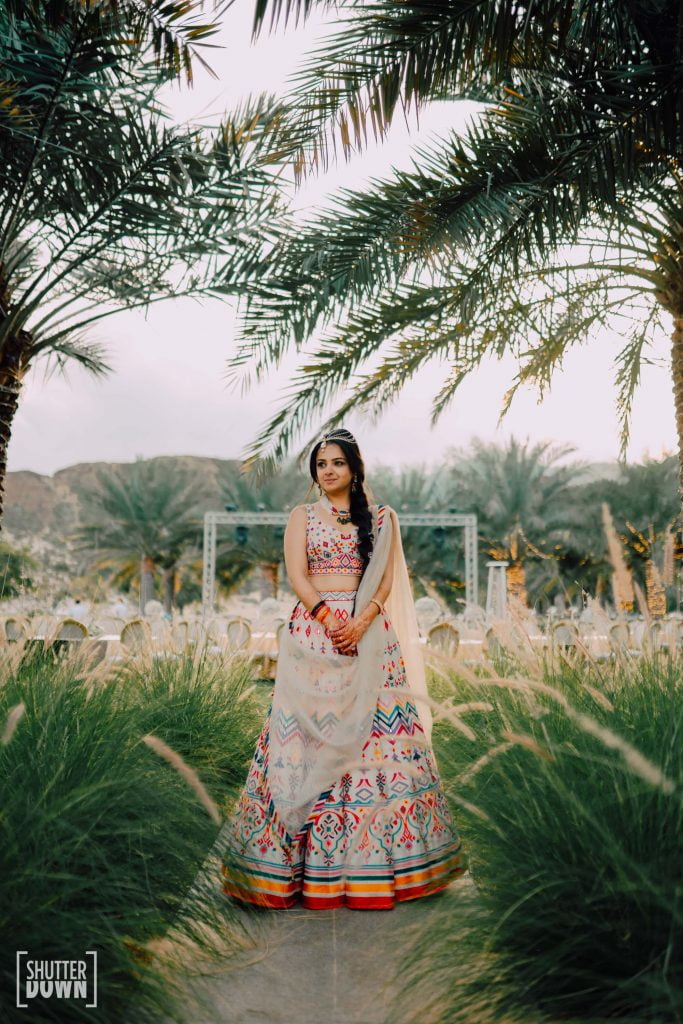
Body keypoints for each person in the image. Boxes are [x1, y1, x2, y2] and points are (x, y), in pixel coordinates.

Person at [221, 428, 465, 910]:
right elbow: (297, 575)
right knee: (306, 740)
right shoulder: (301, 517)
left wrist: (362, 622)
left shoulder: (380, 519)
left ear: (355, 468)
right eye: (320, 464)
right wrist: (331, 619)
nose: (327, 471)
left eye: (336, 462)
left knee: (375, 741)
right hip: (315, 634)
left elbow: (386, 581)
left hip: (370, 637)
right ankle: (297, 871)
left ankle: (371, 870)